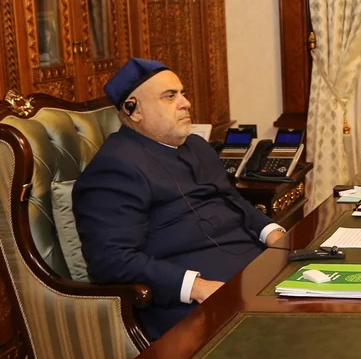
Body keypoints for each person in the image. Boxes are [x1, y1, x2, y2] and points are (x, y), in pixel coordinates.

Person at [73, 58, 288, 340]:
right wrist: (197, 287)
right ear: (133, 110)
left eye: (182, 93)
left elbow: (231, 198)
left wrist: (274, 234)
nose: (186, 103)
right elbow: (111, 260)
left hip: (255, 275)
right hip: (189, 305)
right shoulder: (114, 167)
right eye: (169, 96)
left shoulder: (196, 146)